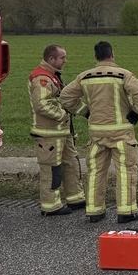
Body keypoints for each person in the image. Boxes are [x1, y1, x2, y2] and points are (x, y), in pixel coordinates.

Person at [60, 41, 138, 223]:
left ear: (96, 57)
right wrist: (136, 112)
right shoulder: (123, 75)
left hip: (97, 132)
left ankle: (94, 211)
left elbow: (65, 97)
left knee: (95, 172)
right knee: (125, 171)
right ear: (112, 54)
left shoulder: (84, 77)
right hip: (121, 132)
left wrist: (85, 111)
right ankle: (127, 211)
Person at [28, 44, 85, 217]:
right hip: (49, 134)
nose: (65, 61)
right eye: (62, 58)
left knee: (72, 164)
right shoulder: (42, 78)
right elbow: (42, 105)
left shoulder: (52, 76)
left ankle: (75, 198)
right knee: (52, 170)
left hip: (62, 132)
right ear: (51, 59)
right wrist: (63, 115)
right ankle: (50, 206)